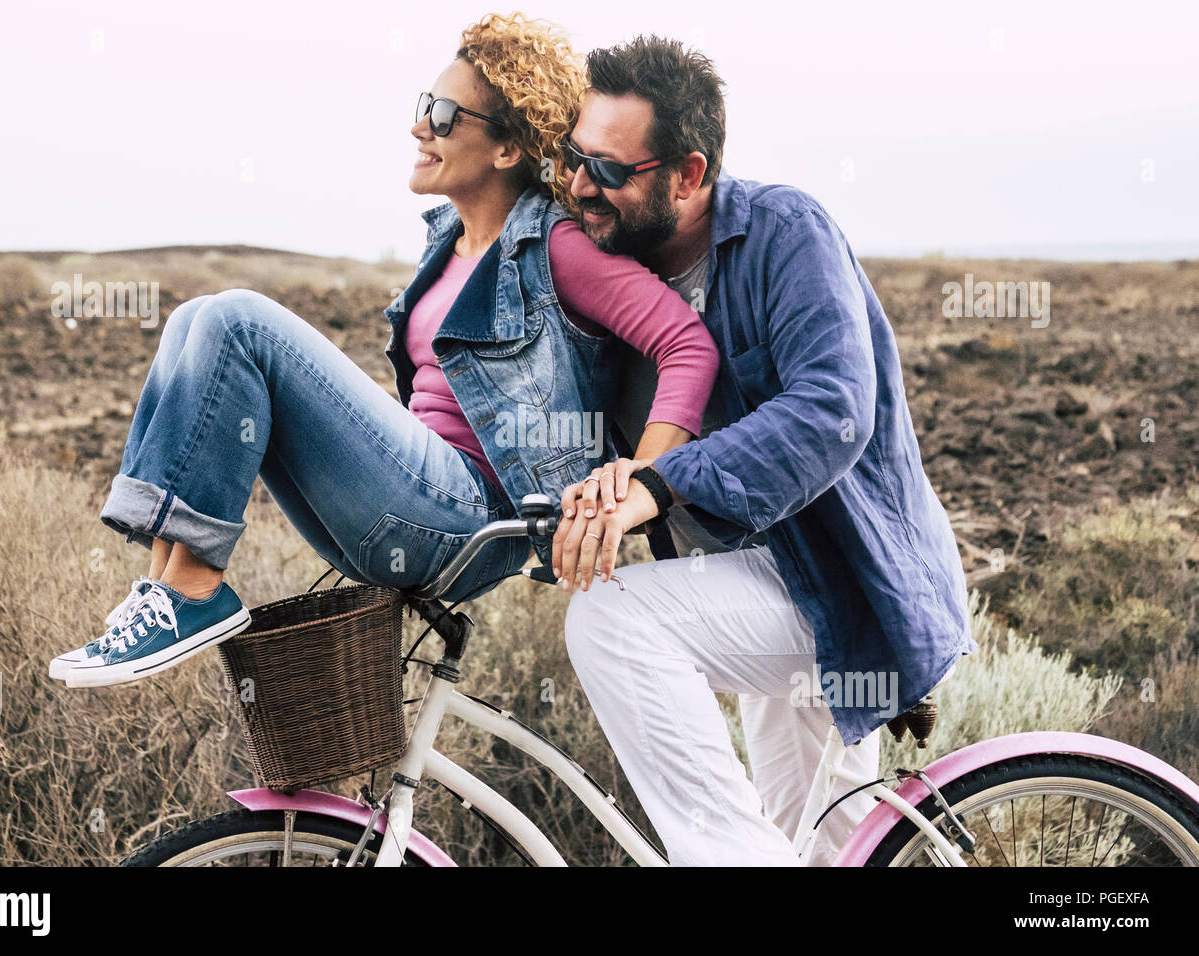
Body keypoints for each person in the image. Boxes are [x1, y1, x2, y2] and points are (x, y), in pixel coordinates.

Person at [49, 15, 718, 689]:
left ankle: (194, 592)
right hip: (416, 503)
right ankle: (169, 582)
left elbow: (686, 343)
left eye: (445, 113)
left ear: (508, 149)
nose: (420, 126)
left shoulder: (554, 246)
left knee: (238, 322)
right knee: (195, 317)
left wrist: (641, 481)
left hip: (473, 518)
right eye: (423, 106)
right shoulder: (446, 242)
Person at [552, 35, 976, 866]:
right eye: (574, 158)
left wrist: (658, 484)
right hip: (752, 582)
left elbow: (832, 413)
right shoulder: (612, 272)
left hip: (843, 582)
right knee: (814, 850)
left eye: (608, 170)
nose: (578, 186)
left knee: (612, 620)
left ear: (688, 173)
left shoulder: (787, 233)